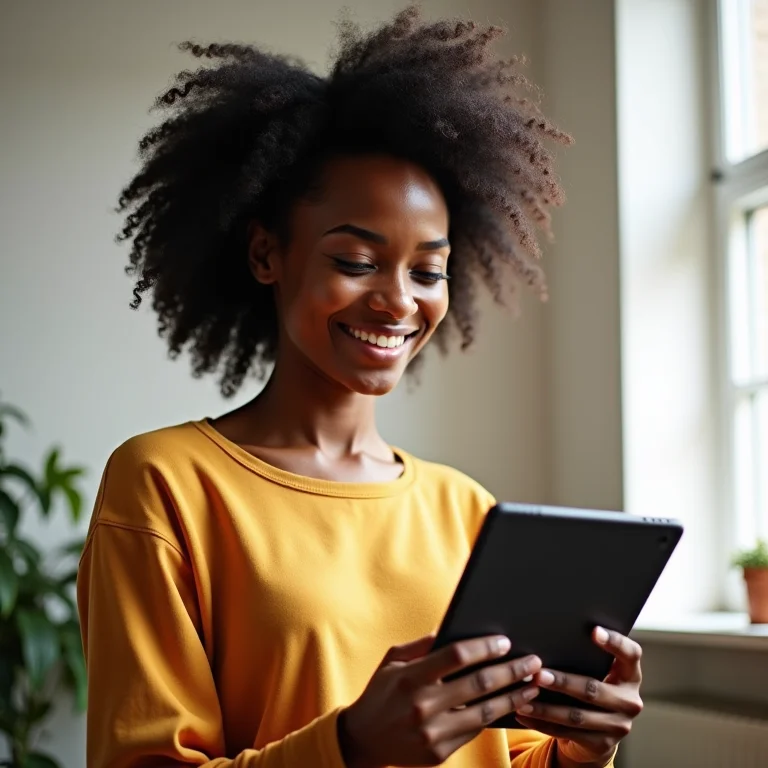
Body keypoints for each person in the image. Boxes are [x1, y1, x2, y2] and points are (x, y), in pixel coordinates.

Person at [77, 6, 644, 767]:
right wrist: (350, 746)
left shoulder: (467, 510)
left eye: (428, 270)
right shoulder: (166, 485)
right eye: (356, 262)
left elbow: (503, 756)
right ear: (266, 254)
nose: (398, 301)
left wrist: (577, 752)